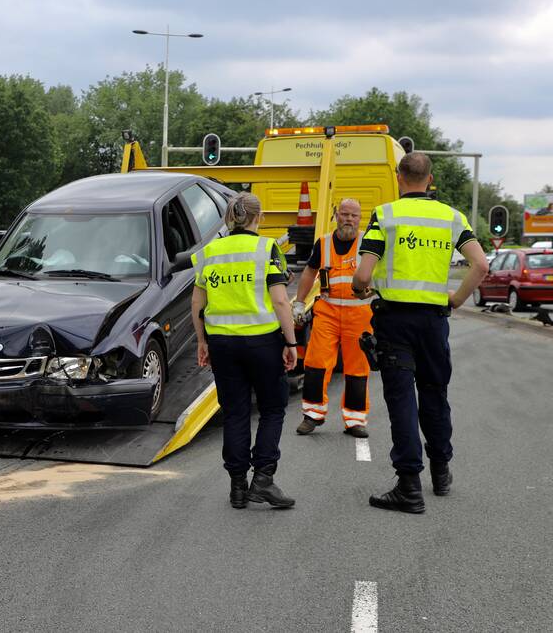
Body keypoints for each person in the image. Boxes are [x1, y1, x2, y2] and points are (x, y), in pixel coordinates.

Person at [351, 152, 488, 514]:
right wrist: (456, 300)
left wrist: (359, 287)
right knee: (434, 394)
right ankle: (441, 472)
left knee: (402, 402)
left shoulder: (386, 216)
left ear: (399, 178)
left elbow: (364, 276)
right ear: (430, 180)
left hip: (394, 321)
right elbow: (481, 264)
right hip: (433, 322)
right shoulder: (452, 217)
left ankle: (409, 485)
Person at [191, 192, 299, 509]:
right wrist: (291, 343)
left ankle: (237, 487)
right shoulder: (266, 248)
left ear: (230, 217)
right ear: (258, 217)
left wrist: (201, 341)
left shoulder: (210, 251)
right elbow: (280, 300)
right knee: (272, 409)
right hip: (262, 343)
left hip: (222, 344)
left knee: (235, 413)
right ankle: (263, 480)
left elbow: (198, 301)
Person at [292, 198, 373, 438]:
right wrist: (298, 301)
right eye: (345, 214)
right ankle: (312, 415)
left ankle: (355, 420)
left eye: (354, 216)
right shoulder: (324, 243)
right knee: (316, 364)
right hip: (327, 312)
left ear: (360, 219)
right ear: (336, 215)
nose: (349, 219)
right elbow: (309, 271)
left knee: (357, 369)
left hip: (359, 315)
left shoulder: (368, 244)